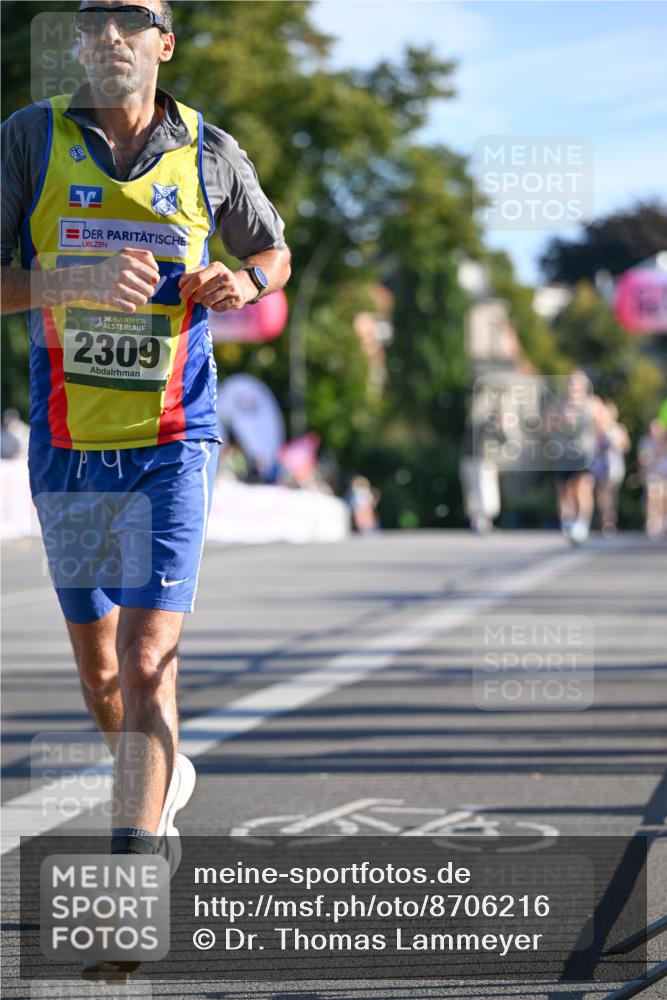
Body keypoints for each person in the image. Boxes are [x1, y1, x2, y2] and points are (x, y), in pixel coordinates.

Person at [1, 0, 290, 978]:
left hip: (174, 438)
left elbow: (271, 250)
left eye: (135, 18)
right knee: (101, 678)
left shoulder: (210, 152)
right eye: (95, 20)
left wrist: (244, 287)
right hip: (71, 446)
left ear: (164, 42)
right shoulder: (29, 139)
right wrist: (62, 279)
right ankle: (162, 776)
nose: (112, 34)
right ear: (80, 44)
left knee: (149, 651)